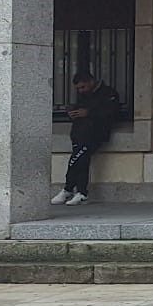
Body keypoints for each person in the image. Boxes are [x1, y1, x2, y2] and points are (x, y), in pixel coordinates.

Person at [54, 71, 122, 205]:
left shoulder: (108, 93)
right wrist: (72, 113)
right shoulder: (84, 95)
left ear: (91, 82)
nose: (81, 90)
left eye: (83, 87)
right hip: (79, 133)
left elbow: (111, 112)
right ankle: (76, 191)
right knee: (79, 160)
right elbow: (79, 111)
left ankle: (73, 190)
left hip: (94, 134)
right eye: (78, 88)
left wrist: (89, 112)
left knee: (77, 159)